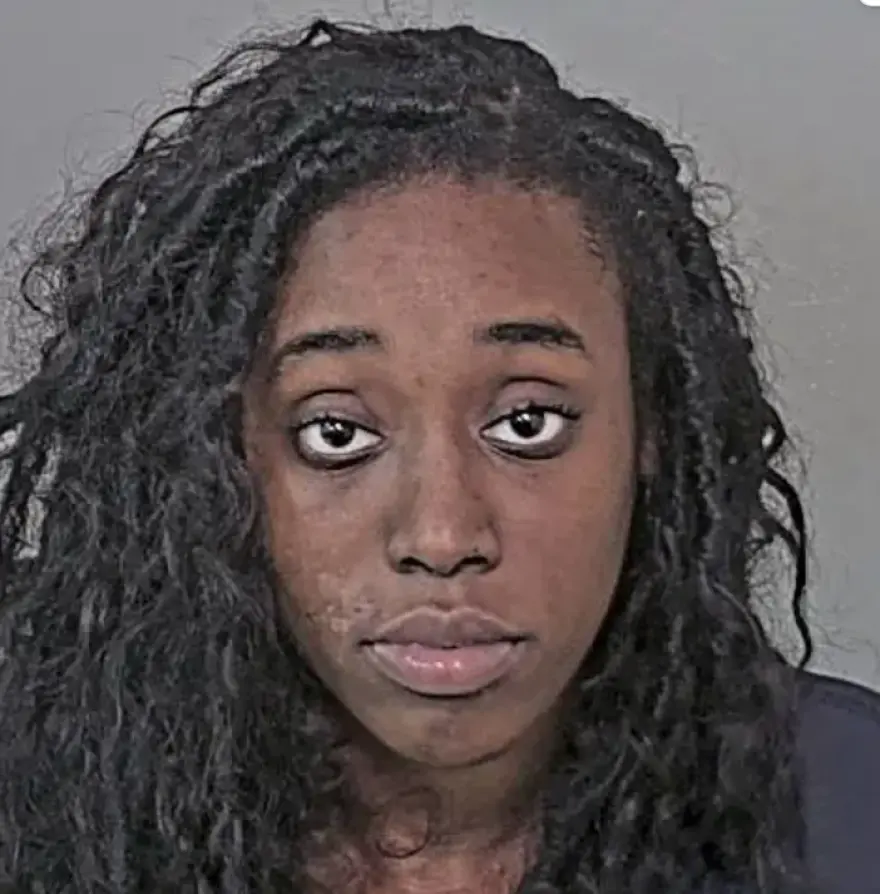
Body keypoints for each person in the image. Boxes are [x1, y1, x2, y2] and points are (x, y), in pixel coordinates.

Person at [0, 17, 877, 894]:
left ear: (652, 429)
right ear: (216, 456)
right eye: (335, 434)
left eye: (528, 422)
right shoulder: (42, 808)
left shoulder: (853, 811)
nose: (444, 536)